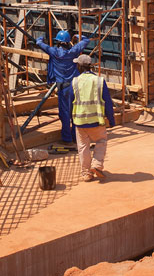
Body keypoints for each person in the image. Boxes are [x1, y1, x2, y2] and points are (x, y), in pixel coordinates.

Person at [34, 29, 90, 145]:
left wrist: (41, 38)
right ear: (68, 42)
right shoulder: (73, 51)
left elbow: (38, 43)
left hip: (63, 87)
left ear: (58, 42)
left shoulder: (53, 52)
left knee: (64, 113)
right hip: (76, 86)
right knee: (75, 112)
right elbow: (86, 40)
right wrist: (78, 35)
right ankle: (76, 137)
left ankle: (67, 139)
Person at [71, 54, 116, 182]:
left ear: (79, 66)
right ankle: (96, 165)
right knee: (101, 142)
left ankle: (86, 173)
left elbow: (70, 102)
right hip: (97, 120)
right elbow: (107, 102)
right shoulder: (99, 81)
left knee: (83, 147)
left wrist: (72, 121)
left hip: (80, 122)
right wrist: (111, 120)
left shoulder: (74, 82)